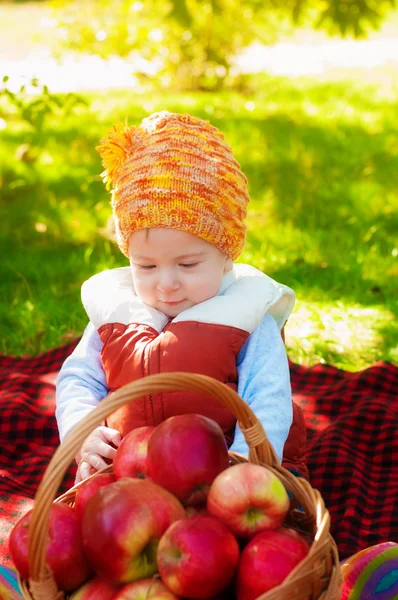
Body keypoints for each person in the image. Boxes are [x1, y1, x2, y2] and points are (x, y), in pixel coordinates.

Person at [56, 111, 307, 484]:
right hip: (129, 470)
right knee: (96, 528)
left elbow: (267, 399)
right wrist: (83, 433)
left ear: (226, 256)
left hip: (220, 471)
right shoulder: (117, 309)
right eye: (146, 266)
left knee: (264, 522)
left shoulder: (244, 315)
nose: (167, 284)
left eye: (188, 265)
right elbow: (78, 378)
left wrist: (246, 466)